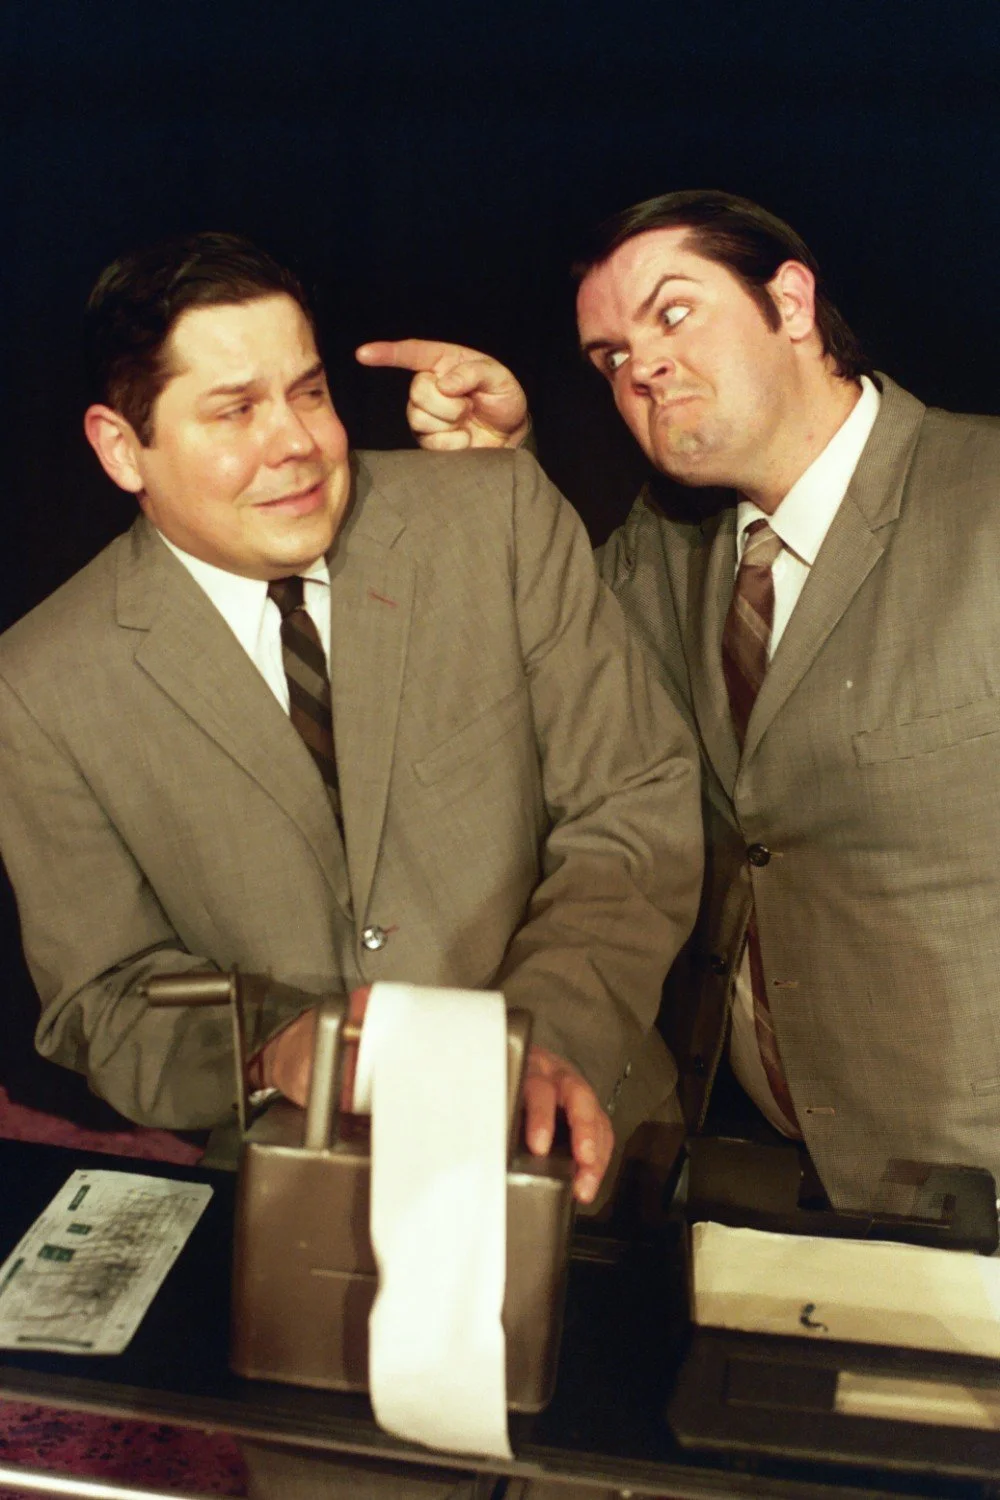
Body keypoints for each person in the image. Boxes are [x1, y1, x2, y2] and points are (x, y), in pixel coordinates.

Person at [0, 232, 702, 1500]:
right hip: (303, 1253)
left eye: (308, 390)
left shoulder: (494, 517)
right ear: (120, 448)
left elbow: (634, 809)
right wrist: (272, 1046)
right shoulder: (37, 686)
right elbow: (99, 999)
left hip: (603, 1189)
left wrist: (538, 1052)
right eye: (233, 408)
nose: (296, 442)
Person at [357, 188, 1000, 1213]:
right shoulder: (667, 556)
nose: (640, 365)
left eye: (673, 312)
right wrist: (503, 480)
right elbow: (555, 696)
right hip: (763, 1175)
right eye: (609, 356)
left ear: (789, 303)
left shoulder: (983, 496)